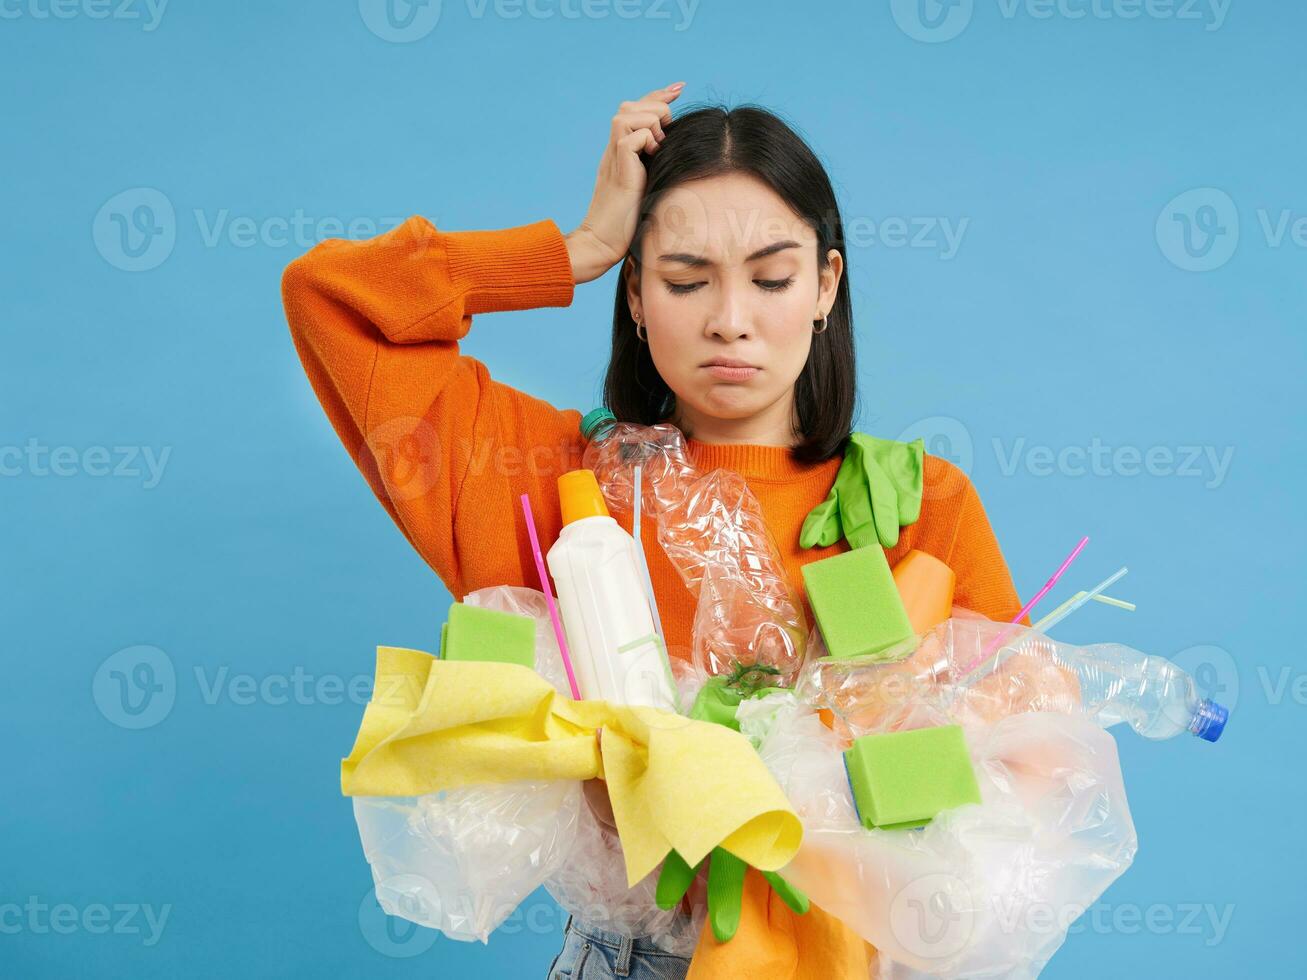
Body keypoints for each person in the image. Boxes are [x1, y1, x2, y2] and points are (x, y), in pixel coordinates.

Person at [282, 82, 1023, 979]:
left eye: (773, 277)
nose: (730, 319)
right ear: (636, 293)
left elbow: (1019, 770)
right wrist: (581, 246)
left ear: (827, 284)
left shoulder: (917, 505)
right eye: (683, 279)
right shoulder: (549, 483)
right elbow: (331, 296)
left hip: (847, 955)